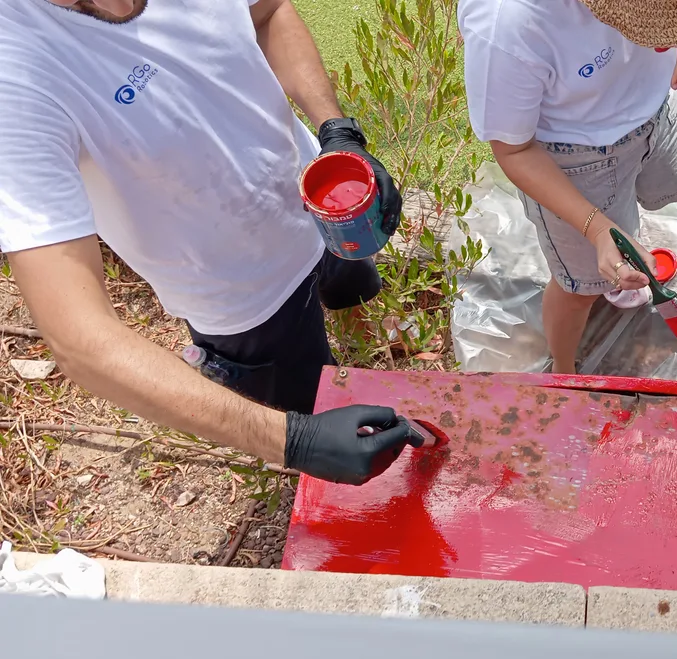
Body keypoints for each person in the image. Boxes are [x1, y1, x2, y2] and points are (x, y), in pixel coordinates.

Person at [0, 0, 427, 486]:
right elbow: (80, 342)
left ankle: (369, 361)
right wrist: (296, 440)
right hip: (243, 301)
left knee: (355, 295)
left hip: (318, 207)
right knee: (317, 418)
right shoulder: (15, 79)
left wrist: (337, 131)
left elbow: (268, 13)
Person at [458, 0, 677, 373]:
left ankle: (615, 259)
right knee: (578, 289)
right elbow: (514, 150)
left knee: (656, 201)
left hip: (658, 107)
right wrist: (595, 227)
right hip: (575, 158)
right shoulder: (507, 23)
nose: (661, 38)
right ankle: (564, 370)